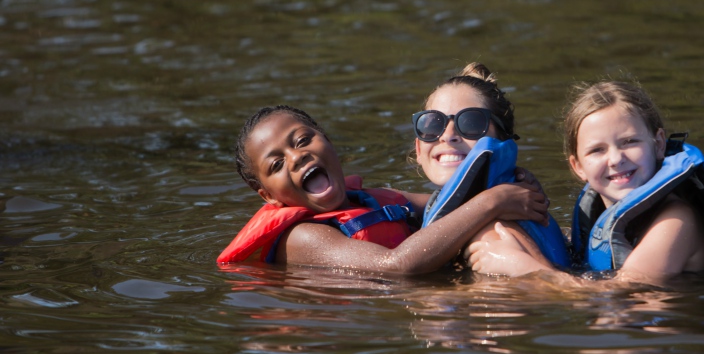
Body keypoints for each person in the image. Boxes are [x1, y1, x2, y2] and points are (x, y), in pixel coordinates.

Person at [216, 104, 549, 276]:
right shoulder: (302, 238)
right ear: (269, 196)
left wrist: (513, 183)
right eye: (276, 165)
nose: (296, 157)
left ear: (327, 141)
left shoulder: (374, 200)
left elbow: (450, 205)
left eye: (303, 140)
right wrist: (493, 202)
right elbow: (396, 266)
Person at [468, 78, 704, 285]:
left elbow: (626, 293)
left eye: (630, 142)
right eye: (597, 150)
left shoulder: (676, 220)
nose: (616, 159)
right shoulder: (601, 216)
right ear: (578, 166)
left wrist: (521, 266)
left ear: (659, 144)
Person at [412, 63, 571, 269]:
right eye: (432, 124)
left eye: (471, 123)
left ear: (502, 141)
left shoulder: (492, 239)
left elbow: (565, 294)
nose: (447, 136)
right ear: (418, 149)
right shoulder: (482, 207)